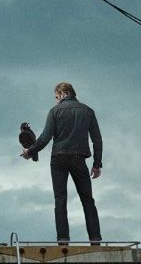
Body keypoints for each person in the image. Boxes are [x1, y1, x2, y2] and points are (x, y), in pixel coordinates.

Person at [21, 81, 103, 244]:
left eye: (56, 96)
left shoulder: (54, 111)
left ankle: (63, 239)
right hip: (79, 158)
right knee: (87, 200)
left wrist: (30, 151)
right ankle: (95, 239)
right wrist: (97, 164)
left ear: (63, 93)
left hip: (58, 158)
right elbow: (97, 139)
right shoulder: (88, 111)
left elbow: (45, 138)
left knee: (60, 199)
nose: (56, 100)